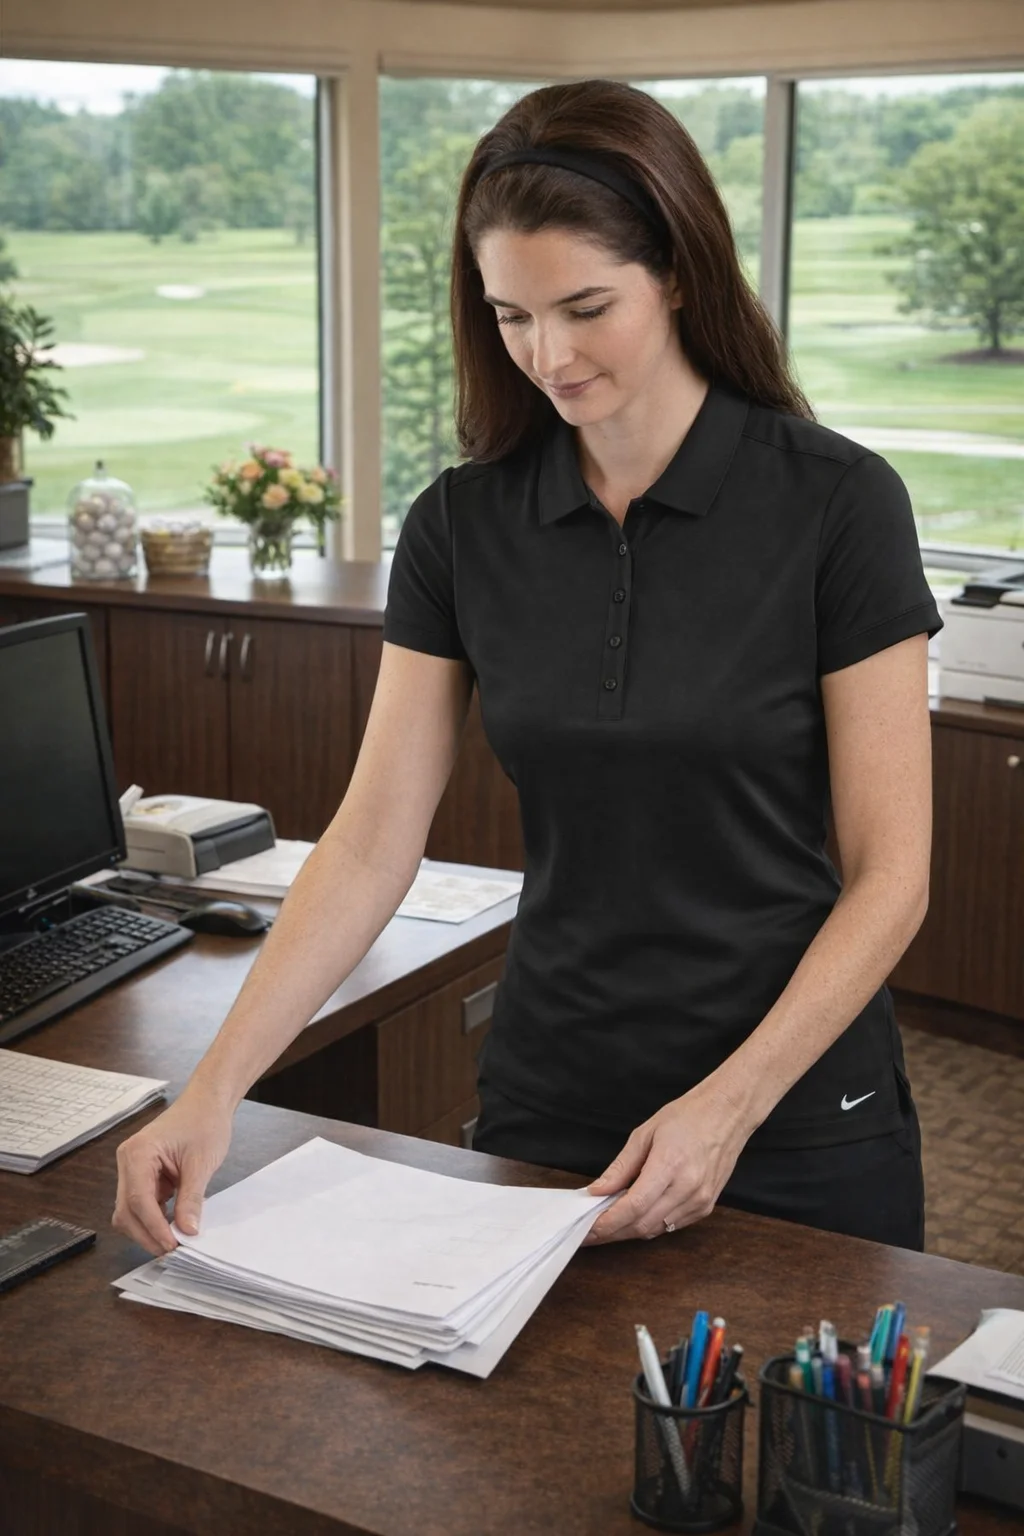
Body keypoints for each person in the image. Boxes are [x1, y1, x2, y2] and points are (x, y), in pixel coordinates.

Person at [113, 78, 943, 1259]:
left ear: (679, 275)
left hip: (795, 1110)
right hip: (552, 1099)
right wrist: (212, 1090)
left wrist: (729, 1105)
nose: (547, 355)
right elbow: (369, 844)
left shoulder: (838, 504)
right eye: (510, 315)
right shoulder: (461, 524)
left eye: (584, 307)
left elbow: (890, 877)